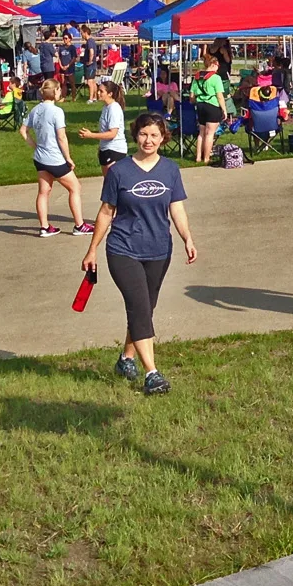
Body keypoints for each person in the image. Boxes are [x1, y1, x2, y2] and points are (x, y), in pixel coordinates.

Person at [82, 112, 197, 396]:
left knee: (145, 308)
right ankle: (152, 374)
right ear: (136, 136)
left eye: (154, 135)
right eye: (144, 134)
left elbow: (177, 208)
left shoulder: (170, 169)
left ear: (163, 138)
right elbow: (107, 212)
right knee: (139, 307)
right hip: (123, 248)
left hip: (159, 249)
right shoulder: (120, 171)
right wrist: (92, 249)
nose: (149, 140)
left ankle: (126, 359)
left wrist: (187, 238)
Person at [12, 78, 81, 235]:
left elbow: (23, 130)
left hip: (40, 158)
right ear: (55, 91)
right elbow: (62, 137)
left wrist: (34, 145)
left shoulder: (36, 109)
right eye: (59, 90)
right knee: (75, 187)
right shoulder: (57, 112)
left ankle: (44, 227)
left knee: (44, 191)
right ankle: (79, 225)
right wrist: (68, 158)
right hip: (54, 158)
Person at [78, 77, 129, 172]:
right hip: (105, 149)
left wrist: (91, 135)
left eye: (101, 91)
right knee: (108, 183)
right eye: (98, 90)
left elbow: (112, 134)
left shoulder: (114, 109)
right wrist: (101, 147)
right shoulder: (106, 107)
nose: (98, 93)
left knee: (112, 183)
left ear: (110, 94)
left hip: (114, 150)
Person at [188, 55, 229, 164]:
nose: (218, 68)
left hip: (200, 105)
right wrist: (224, 109)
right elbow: (219, 96)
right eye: (218, 66)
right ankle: (206, 158)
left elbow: (191, 97)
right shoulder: (216, 78)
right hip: (212, 106)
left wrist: (197, 100)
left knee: (201, 133)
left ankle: (198, 157)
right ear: (213, 64)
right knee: (210, 133)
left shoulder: (196, 77)